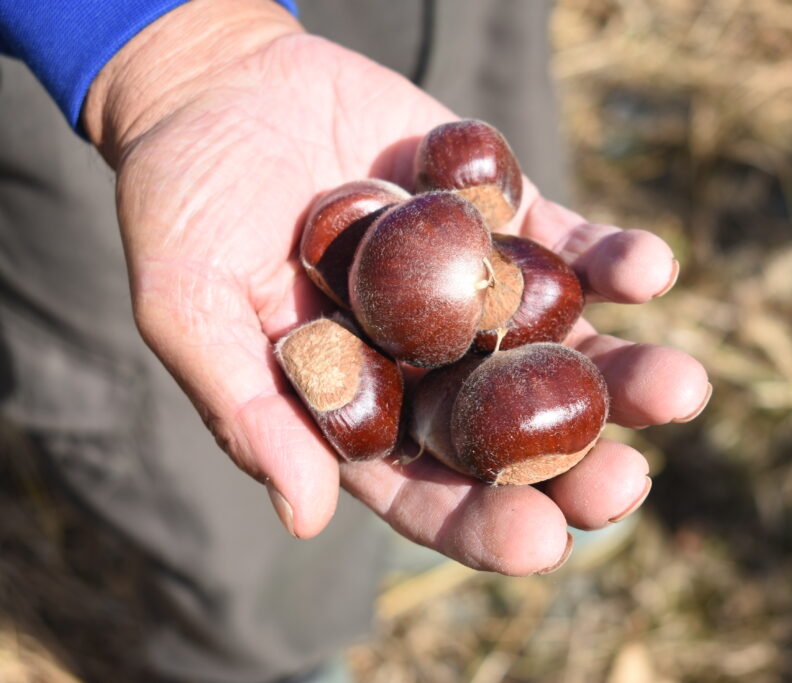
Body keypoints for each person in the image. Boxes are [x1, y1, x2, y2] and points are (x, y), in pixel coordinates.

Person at [0, 0, 711, 680]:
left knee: (473, 64)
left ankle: (381, 548)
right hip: (61, 52)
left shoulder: (467, 250)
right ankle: (267, 654)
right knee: (169, 421)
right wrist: (160, 48)